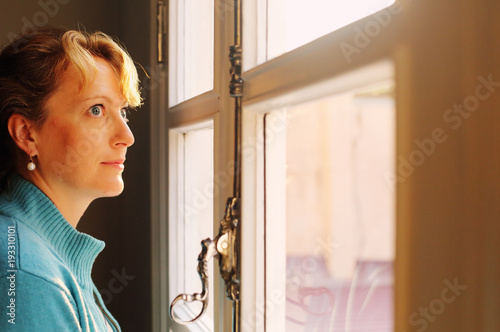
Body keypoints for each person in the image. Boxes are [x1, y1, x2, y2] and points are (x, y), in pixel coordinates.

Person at [0, 27, 141, 331]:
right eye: (96, 110)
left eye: (123, 112)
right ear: (26, 133)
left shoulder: (41, 251)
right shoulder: (27, 276)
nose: (126, 137)